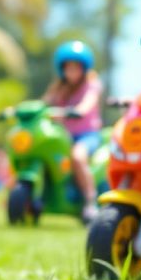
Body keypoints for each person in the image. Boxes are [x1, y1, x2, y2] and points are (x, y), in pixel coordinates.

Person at [43, 41, 103, 221]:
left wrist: (74, 111)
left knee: (77, 156)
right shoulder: (59, 88)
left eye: (76, 67)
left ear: (84, 69)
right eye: (68, 68)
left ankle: (90, 201)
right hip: (65, 136)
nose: (72, 72)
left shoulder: (92, 84)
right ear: (62, 69)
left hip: (87, 135)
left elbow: (87, 105)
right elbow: (44, 104)